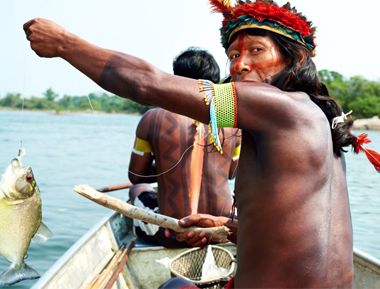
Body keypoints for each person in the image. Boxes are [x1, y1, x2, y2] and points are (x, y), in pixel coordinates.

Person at [24, 0, 355, 287]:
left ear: (294, 59)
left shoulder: (278, 106)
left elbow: (146, 84)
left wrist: (64, 44)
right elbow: (299, 228)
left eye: (256, 51)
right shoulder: (310, 117)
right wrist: (229, 227)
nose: (239, 64)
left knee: (172, 286)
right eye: (233, 54)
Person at [128, 47, 241, 248]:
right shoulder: (234, 123)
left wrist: (168, 167)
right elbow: (231, 173)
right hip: (223, 230)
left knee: (138, 189)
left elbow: (136, 176)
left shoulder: (152, 118)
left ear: (175, 80)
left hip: (174, 233)